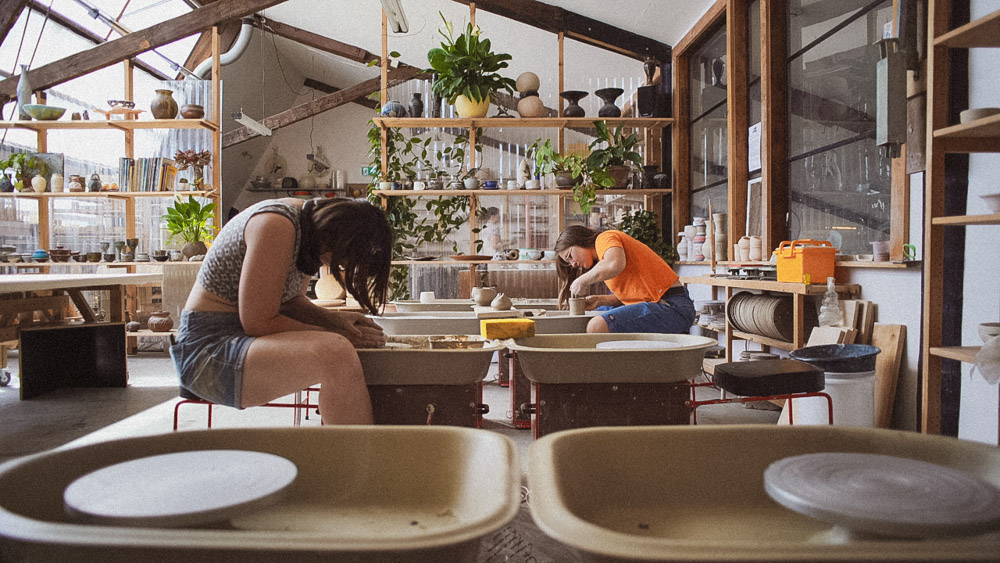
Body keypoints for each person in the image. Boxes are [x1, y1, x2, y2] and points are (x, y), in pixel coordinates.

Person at [170, 197, 391, 425]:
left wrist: (336, 321)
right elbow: (258, 323)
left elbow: (290, 301)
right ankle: (357, 457)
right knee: (336, 352)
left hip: (239, 338)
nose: (339, 265)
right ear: (336, 240)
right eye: (343, 260)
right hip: (207, 354)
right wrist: (336, 333)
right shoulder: (278, 225)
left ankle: (349, 450)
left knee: (341, 344)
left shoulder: (310, 225)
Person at [554, 224, 694, 334]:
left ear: (579, 240)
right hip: (663, 303)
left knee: (596, 326)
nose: (573, 264)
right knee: (598, 311)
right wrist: (600, 300)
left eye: (570, 256)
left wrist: (581, 280)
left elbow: (615, 263)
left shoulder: (604, 238)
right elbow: (636, 295)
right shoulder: (603, 259)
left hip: (672, 306)